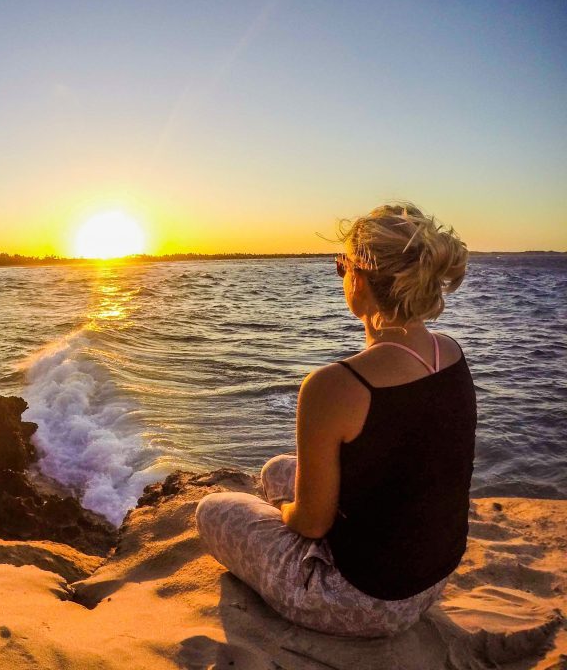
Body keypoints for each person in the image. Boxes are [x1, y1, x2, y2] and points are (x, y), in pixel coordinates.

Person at [195, 203, 476, 638]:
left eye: (340, 265)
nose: (341, 275)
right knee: (276, 470)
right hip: (433, 578)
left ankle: (312, 575)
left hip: (366, 601)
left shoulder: (335, 386)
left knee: (212, 510)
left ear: (359, 280)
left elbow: (311, 522)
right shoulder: (451, 353)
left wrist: (284, 514)